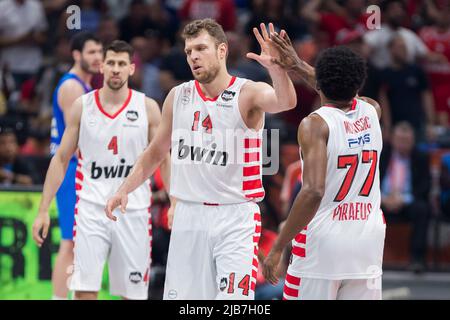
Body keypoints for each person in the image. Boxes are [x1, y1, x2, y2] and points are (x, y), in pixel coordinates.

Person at [105, 18, 297, 300]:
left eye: (201, 48)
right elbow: (156, 151)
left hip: (235, 216)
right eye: (188, 51)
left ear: (222, 50)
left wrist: (278, 70)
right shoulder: (177, 96)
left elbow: (285, 102)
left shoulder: (247, 93)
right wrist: (123, 189)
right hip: (188, 216)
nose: (193, 56)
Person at [32, 40, 171, 300]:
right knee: (84, 292)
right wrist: (42, 210)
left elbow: (164, 158)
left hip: (134, 212)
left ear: (131, 68)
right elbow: (60, 159)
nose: (115, 69)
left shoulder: (148, 107)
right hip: (90, 210)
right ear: (101, 67)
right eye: (111, 63)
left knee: (133, 295)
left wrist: (174, 201)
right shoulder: (82, 106)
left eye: (121, 64)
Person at [262, 31, 386, 300]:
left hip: (324, 243)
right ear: (359, 82)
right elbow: (339, 89)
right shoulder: (372, 111)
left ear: (319, 84)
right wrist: (296, 64)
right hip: (367, 241)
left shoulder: (315, 125)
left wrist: (278, 247)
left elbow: (313, 191)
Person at [39, 32, 103, 300]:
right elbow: (76, 142)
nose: (97, 57)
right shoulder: (72, 87)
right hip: (71, 171)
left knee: (79, 242)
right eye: (91, 52)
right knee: (70, 241)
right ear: (76, 55)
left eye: (100, 52)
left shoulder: (85, 86)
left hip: (79, 171)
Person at [380, 122, 431, 273]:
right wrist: (383, 199)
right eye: (400, 139)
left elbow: (424, 188)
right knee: (364, 210)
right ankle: (363, 259)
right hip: (382, 200)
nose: (403, 144)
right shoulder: (382, 154)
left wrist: (403, 199)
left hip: (408, 202)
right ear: (392, 139)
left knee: (422, 209)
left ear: (413, 140)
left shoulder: (420, 157)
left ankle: (417, 260)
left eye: (406, 140)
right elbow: (369, 181)